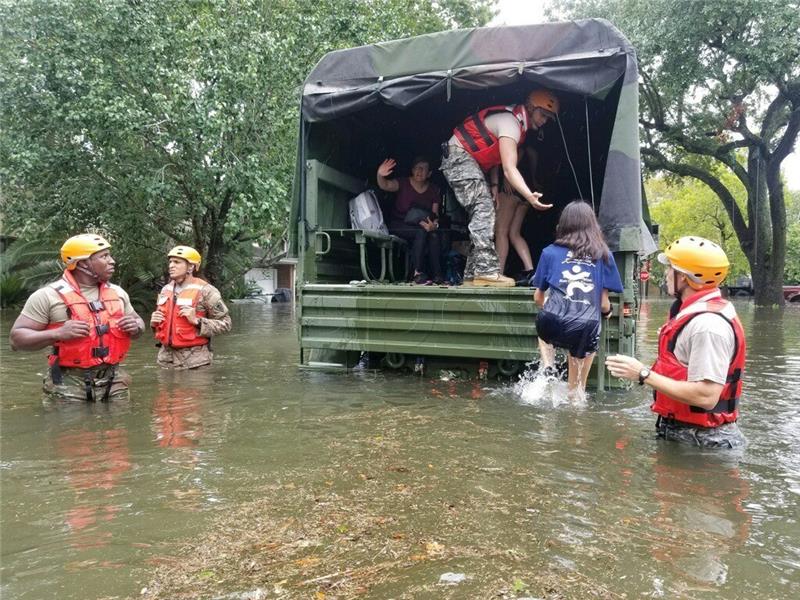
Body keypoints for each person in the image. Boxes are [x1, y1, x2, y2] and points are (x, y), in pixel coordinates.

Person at [605, 236, 747, 449]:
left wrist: (643, 374)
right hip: (688, 435)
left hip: (704, 444)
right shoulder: (696, 313)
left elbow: (707, 396)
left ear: (683, 277)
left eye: (670, 268)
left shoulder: (707, 326)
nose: (666, 274)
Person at [441, 88, 558, 287]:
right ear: (530, 107)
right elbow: (509, 168)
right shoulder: (511, 123)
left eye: (548, 118)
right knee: (484, 209)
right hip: (459, 156)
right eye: (543, 114)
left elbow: (493, 157)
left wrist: (493, 186)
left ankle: (472, 274)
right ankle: (486, 271)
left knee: (483, 212)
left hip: (469, 162)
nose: (544, 120)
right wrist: (529, 196)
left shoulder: (516, 126)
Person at [9, 233, 145, 401]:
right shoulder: (47, 296)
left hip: (114, 381)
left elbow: (139, 324)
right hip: (68, 382)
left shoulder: (118, 293)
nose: (112, 261)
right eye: (104, 256)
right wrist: (57, 334)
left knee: (117, 426)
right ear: (82, 264)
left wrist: (136, 326)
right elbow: (16, 340)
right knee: (71, 427)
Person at [531, 201, 623, 400]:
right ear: (593, 225)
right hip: (585, 328)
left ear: (563, 225)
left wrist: (549, 305)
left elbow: (538, 297)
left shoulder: (549, 252)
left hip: (551, 321)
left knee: (545, 322)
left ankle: (548, 366)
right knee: (576, 393)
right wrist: (608, 313)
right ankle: (576, 420)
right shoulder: (604, 254)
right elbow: (603, 303)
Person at [150, 245, 231, 369]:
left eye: (177, 262)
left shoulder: (207, 291)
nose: (171, 265)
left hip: (195, 363)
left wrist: (197, 321)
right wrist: (153, 323)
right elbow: (161, 327)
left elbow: (226, 324)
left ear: (191, 267)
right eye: (170, 262)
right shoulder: (165, 290)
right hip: (165, 360)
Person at [377, 156, 444, 284]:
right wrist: (380, 175)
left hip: (422, 226)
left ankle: (438, 275)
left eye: (423, 168)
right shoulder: (403, 183)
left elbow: (435, 214)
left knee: (433, 235)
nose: (419, 171)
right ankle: (417, 273)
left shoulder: (433, 190)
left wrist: (434, 225)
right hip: (399, 224)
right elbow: (385, 185)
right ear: (412, 170)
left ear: (429, 173)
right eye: (416, 168)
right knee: (421, 232)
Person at [495, 145, 540, 284]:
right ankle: (530, 270)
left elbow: (511, 165)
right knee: (514, 233)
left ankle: (498, 272)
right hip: (526, 193)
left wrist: (506, 180)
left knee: (500, 231)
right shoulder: (532, 151)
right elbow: (533, 172)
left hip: (511, 190)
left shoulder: (516, 147)